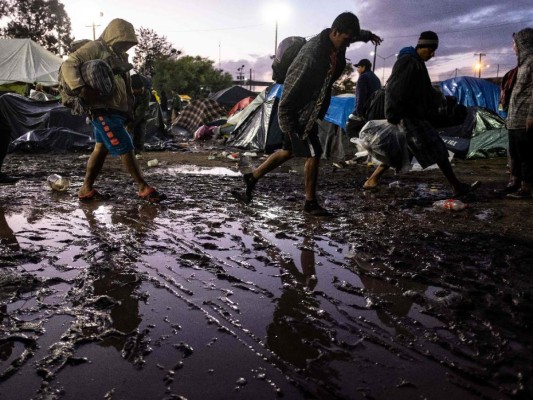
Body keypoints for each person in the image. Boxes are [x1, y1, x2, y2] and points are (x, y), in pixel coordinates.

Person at [234, 12, 382, 216]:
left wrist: (367, 35)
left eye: (350, 40)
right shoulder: (310, 55)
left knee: (288, 151)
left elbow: (353, 36)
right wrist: (290, 127)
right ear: (335, 32)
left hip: (312, 109)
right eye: (346, 39)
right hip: (298, 112)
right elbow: (287, 95)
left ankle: (253, 177)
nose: (346, 45)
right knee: (314, 152)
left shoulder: (337, 42)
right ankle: (310, 203)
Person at [60, 18, 166, 203]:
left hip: (115, 109)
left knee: (100, 149)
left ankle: (86, 189)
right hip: (100, 108)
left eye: (129, 43)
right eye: (123, 41)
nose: (126, 46)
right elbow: (69, 64)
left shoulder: (121, 58)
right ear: (114, 36)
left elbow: (126, 84)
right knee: (125, 144)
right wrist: (80, 88)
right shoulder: (95, 47)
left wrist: (129, 108)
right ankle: (143, 187)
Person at [363, 31, 480, 196]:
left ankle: (372, 180)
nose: (432, 54)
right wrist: (392, 114)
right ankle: (457, 187)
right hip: (409, 116)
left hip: (412, 115)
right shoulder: (408, 62)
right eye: (430, 50)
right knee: (437, 149)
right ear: (421, 46)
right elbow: (394, 89)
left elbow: (423, 91)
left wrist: (442, 99)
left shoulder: (415, 62)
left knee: (399, 149)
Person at [501, 28, 533, 199]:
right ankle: (515, 182)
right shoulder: (520, 65)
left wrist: (531, 115)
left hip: (524, 119)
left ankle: (526, 187)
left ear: (523, 43)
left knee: (526, 155)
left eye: (515, 43)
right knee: (514, 153)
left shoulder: (532, 62)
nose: (513, 47)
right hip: (514, 118)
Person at [346, 58, 382, 137]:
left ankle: (358, 148)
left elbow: (360, 97)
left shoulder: (363, 77)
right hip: (375, 112)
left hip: (365, 112)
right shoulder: (376, 78)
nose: (357, 70)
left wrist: (359, 113)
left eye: (359, 67)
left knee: (350, 128)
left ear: (364, 67)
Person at [128, 75, 151, 156]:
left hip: (140, 116)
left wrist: (131, 125)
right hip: (128, 112)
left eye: (142, 88)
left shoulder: (146, 93)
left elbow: (140, 111)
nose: (141, 90)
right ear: (132, 89)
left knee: (140, 130)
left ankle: (138, 151)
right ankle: (126, 151)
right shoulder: (127, 93)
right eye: (139, 89)